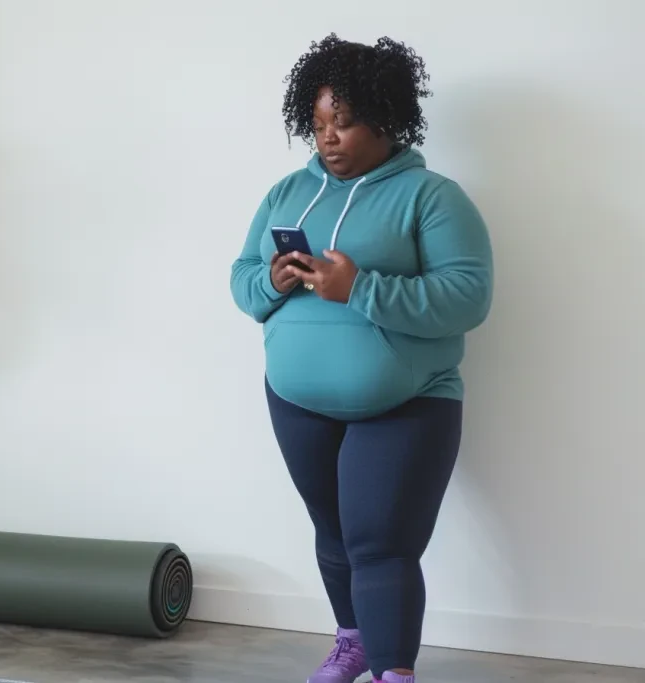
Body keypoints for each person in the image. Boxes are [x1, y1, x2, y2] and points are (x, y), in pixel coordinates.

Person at [229, 34, 494, 683]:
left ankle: (391, 670)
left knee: (380, 542)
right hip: (295, 400)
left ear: (386, 117)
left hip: (407, 401)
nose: (329, 137)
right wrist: (276, 279)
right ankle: (352, 641)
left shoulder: (432, 197)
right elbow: (241, 282)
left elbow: (468, 296)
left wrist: (359, 288)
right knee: (335, 534)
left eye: (344, 122)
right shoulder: (287, 193)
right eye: (318, 123)